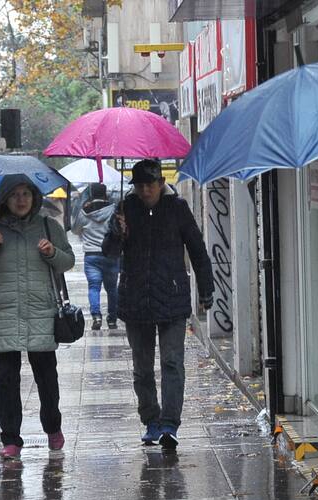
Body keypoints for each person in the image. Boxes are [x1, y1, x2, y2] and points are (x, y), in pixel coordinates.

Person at [103, 159, 214, 450]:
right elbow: (109, 254)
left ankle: (170, 424)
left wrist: (206, 289)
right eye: (139, 186)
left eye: (149, 185)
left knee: (172, 362)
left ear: (160, 182)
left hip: (172, 299)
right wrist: (117, 231)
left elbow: (198, 249)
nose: (144, 190)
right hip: (135, 299)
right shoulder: (125, 208)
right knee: (142, 368)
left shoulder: (177, 208)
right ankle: (151, 419)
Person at [0, 174, 74, 459]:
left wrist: (52, 253)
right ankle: (11, 439)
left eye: (26, 193)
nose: (21, 200)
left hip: (41, 310)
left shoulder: (48, 227)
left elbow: (68, 261)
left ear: (34, 197)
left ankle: (53, 427)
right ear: (4, 199)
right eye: (14, 194)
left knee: (47, 378)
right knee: (6, 380)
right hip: (4, 312)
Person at [71, 183, 120, 330]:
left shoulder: (84, 211)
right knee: (112, 289)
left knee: (94, 287)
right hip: (111, 254)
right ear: (105, 194)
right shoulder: (113, 210)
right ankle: (112, 319)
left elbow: (74, 230)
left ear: (91, 195)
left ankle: (96, 316)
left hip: (91, 256)